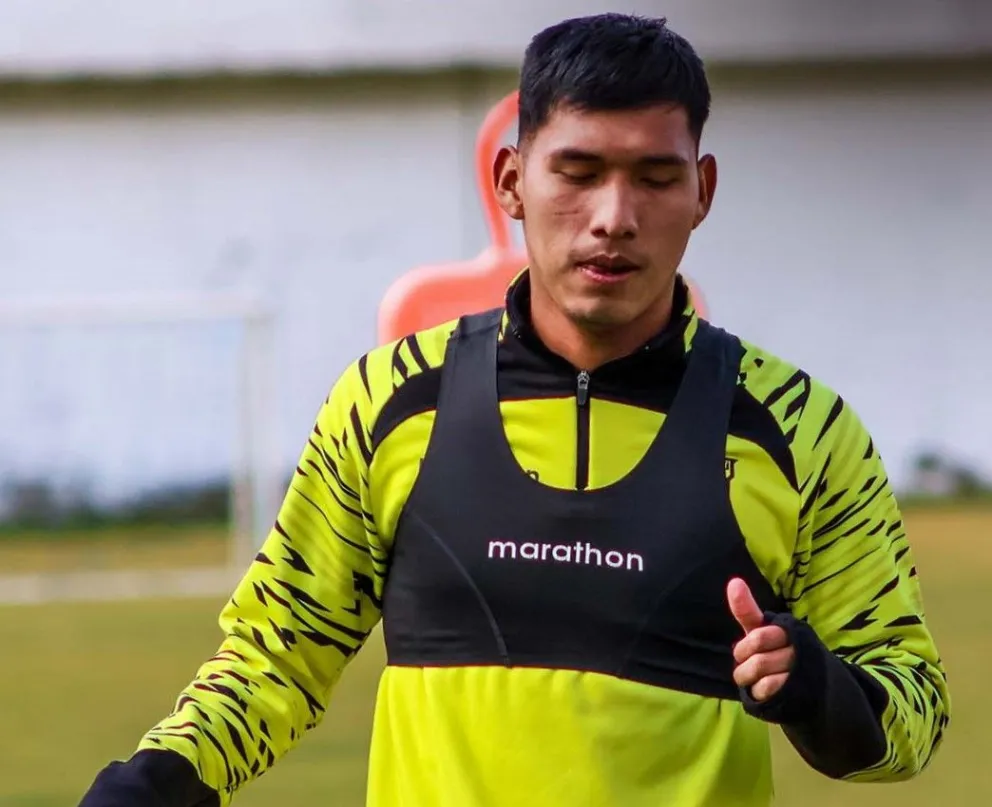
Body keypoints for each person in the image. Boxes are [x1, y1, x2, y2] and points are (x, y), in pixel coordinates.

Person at [79, 13, 950, 807]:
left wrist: (822, 692)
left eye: (655, 177)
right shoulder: (389, 402)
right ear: (510, 180)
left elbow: (914, 708)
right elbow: (276, 657)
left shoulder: (798, 429)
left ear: (703, 191)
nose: (614, 217)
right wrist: (158, 780)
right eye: (578, 171)